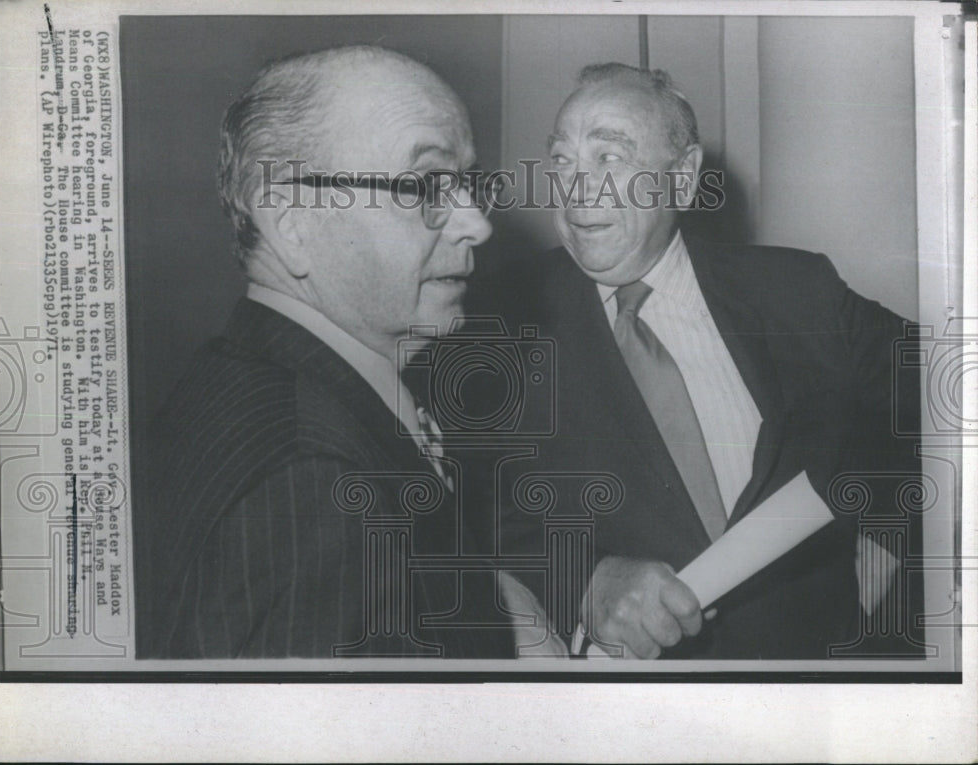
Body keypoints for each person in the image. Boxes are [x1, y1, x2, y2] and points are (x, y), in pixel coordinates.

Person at [491, 63, 923, 659]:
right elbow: (459, 501)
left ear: (683, 177)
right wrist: (583, 582)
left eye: (609, 158)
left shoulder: (799, 291)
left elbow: (945, 399)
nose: (575, 189)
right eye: (561, 161)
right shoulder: (498, 320)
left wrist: (892, 540)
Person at [134, 46, 524, 659]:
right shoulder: (321, 488)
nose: (477, 224)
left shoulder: (239, 381)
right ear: (291, 222)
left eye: (467, 184)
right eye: (424, 186)